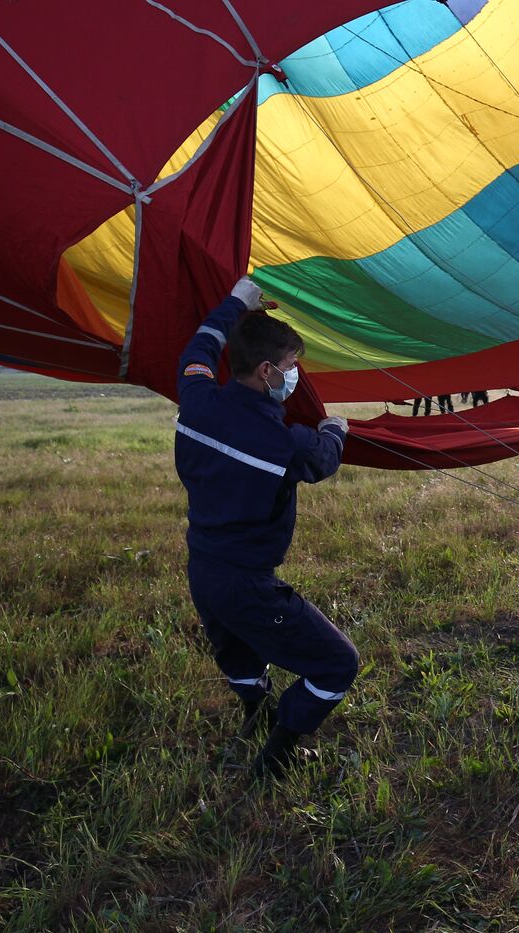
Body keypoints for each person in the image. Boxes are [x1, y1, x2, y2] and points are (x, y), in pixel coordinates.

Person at [175, 276, 358, 780]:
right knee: (338, 665)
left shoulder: (194, 397)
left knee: (237, 652)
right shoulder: (284, 444)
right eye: (291, 368)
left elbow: (199, 348)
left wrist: (234, 301)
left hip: (203, 570)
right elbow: (321, 461)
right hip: (247, 581)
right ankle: (276, 755)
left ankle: (254, 716)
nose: (295, 377)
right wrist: (335, 430)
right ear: (266, 370)